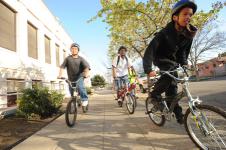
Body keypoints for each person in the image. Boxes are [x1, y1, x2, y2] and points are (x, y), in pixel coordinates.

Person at [143, 0, 197, 124]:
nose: (188, 17)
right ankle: (154, 94)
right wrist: (148, 69)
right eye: (185, 14)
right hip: (160, 58)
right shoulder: (164, 33)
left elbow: (183, 52)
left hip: (173, 62)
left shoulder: (188, 34)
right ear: (175, 17)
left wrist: (184, 63)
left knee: (172, 87)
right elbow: (150, 50)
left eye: (190, 15)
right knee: (171, 70)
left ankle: (178, 115)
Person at [58, 43, 90, 107]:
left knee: (81, 87)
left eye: (75, 49)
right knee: (71, 90)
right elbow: (62, 67)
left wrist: (86, 74)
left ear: (78, 50)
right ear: (70, 50)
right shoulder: (68, 59)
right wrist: (60, 75)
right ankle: (74, 101)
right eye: (72, 49)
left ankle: (84, 99)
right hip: (71, 78)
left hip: (79, 77)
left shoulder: (81, 59)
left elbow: (87, 67)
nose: (74, 50)